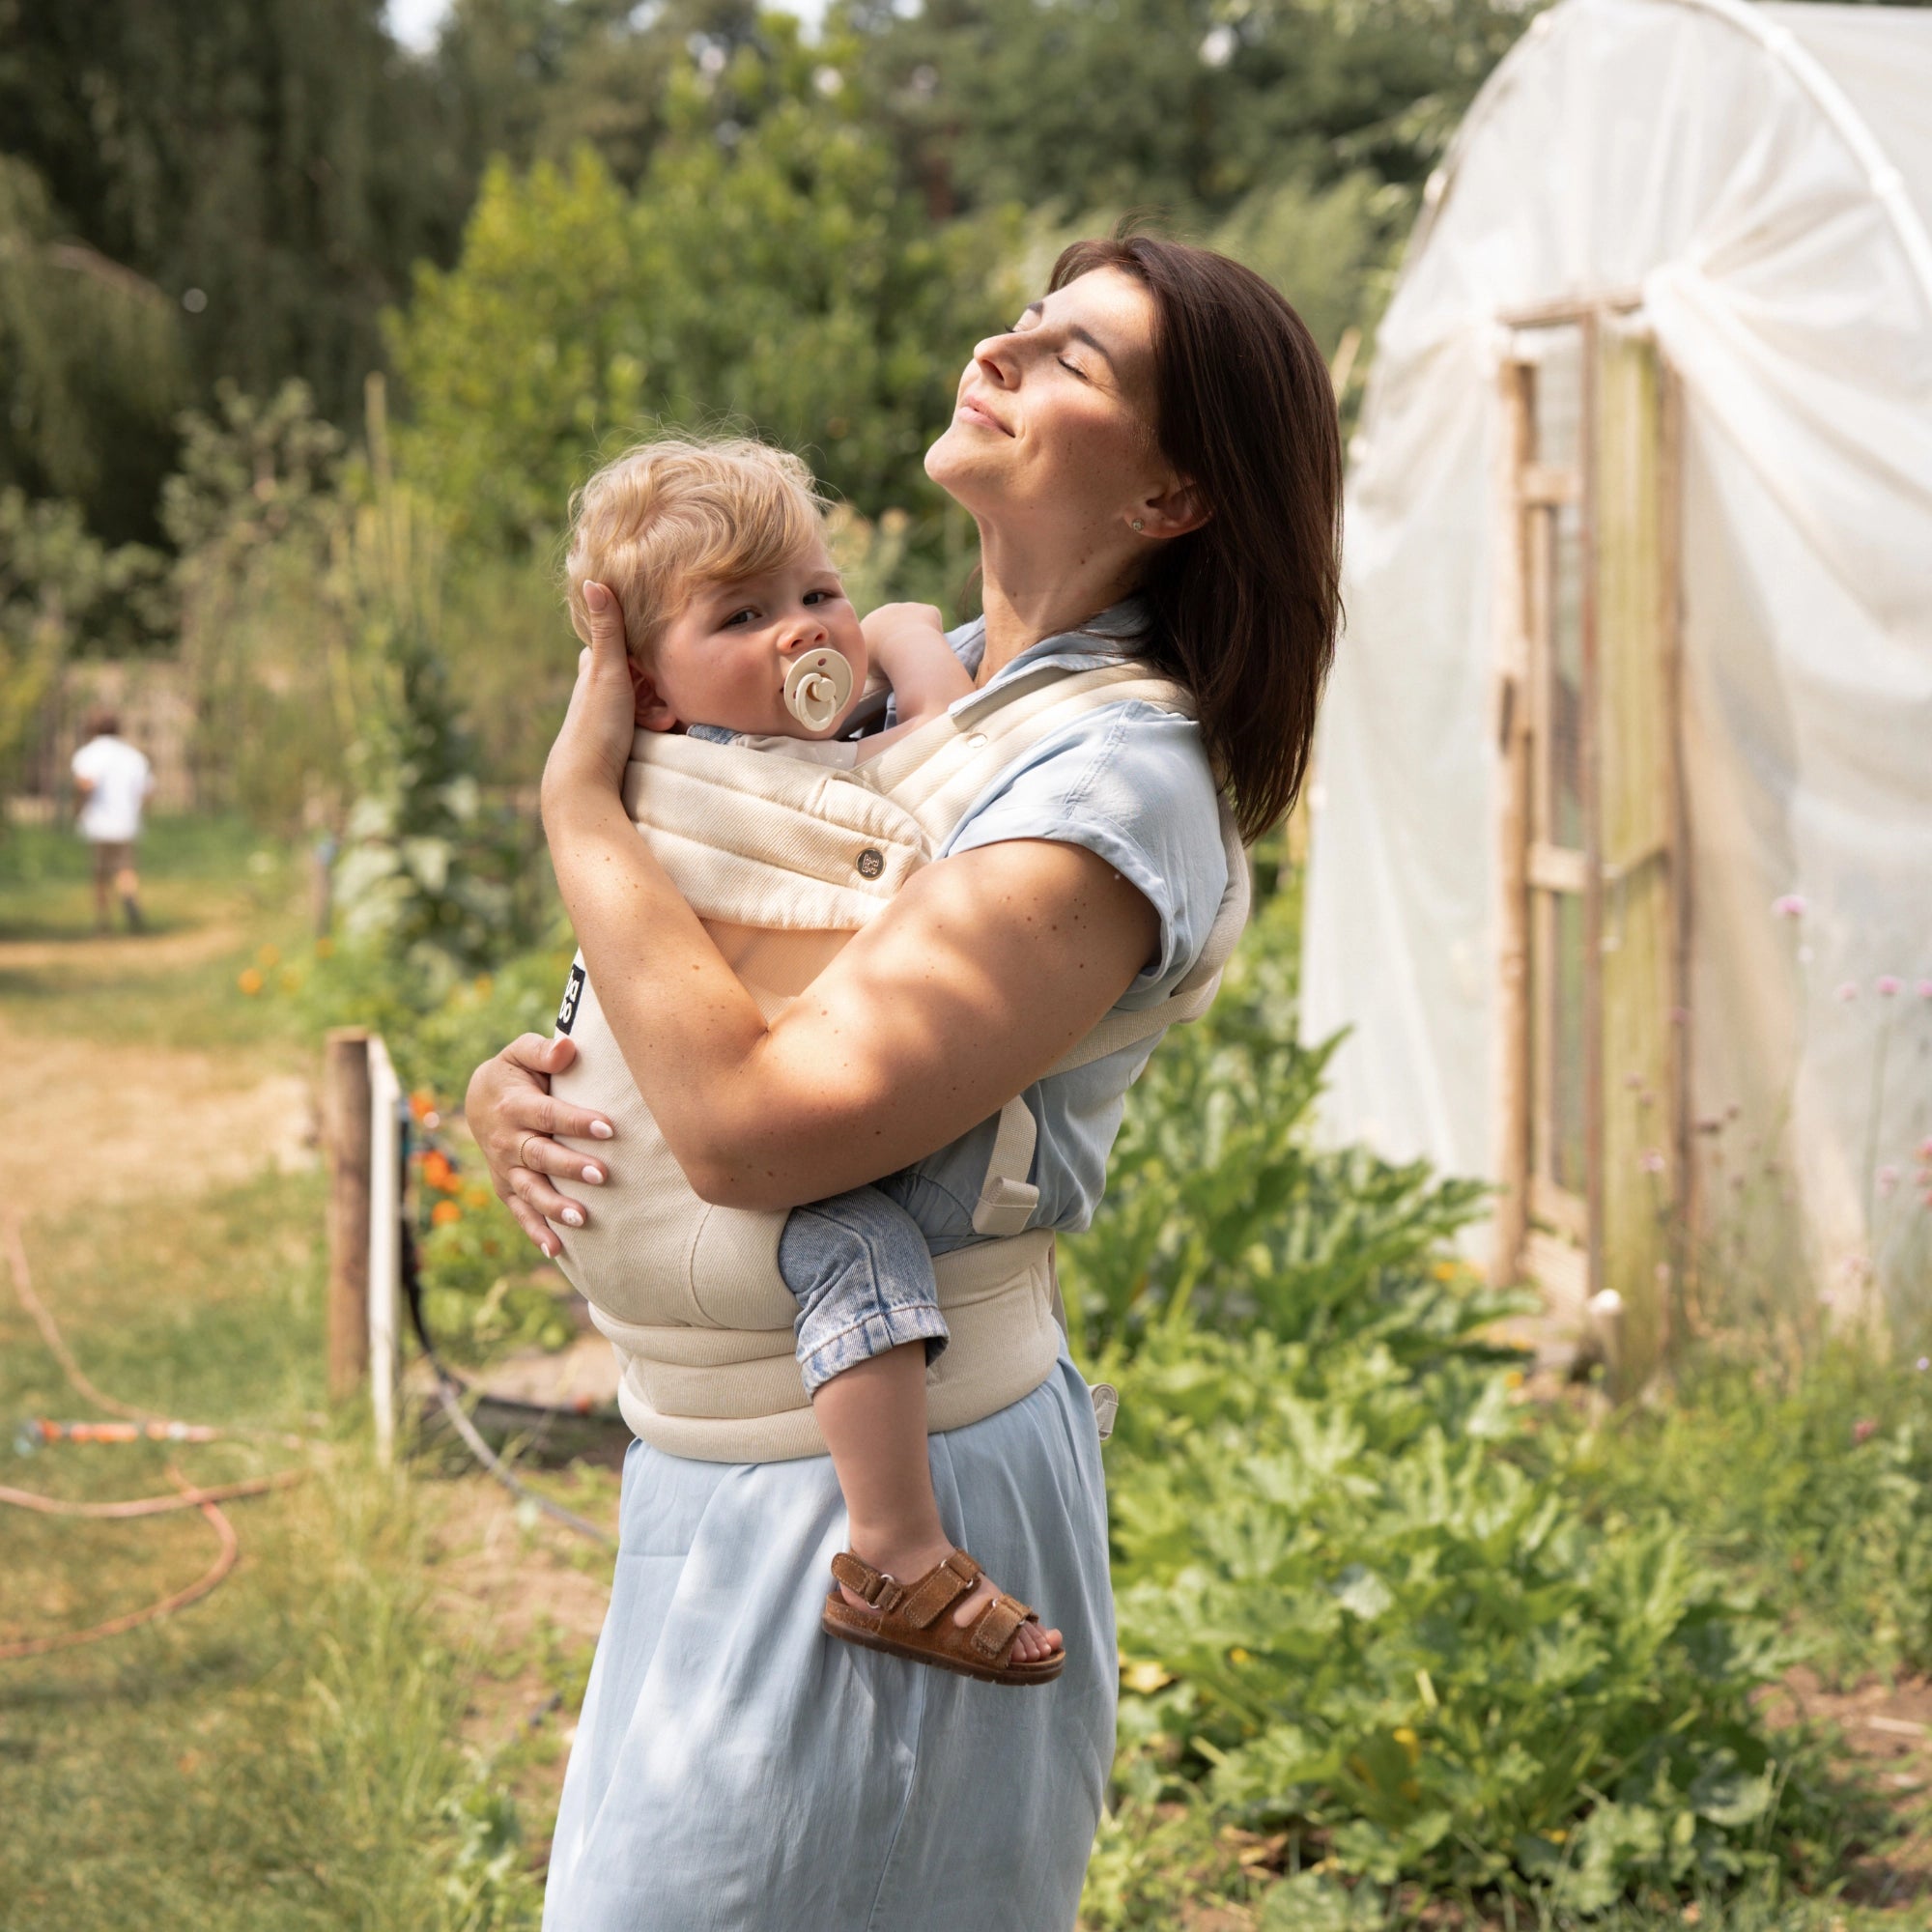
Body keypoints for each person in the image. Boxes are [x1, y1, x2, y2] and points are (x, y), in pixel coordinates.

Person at [466, 234, 1342, 1929]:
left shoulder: (1112, 776)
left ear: (1174, 494)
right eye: (1023, 318)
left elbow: (754, 1129)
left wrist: (578, 814)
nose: (1005, 349)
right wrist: (534, 1080)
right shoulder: (904, 690)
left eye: (1074, 357)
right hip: (708, 1470)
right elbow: (708, 977)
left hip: (882, 1506)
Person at [557, 434, 1067, 1679]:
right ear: (652, 694)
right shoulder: (700, 788)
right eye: (741, 613)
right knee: (857, 1241)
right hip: (643, 1172)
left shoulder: (779, 756)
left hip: (656, 1146)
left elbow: (917, 750)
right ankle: (892, 1550)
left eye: (815, 594)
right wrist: (899, 634)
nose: (800, 633)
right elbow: (936, 785)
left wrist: (881, 628)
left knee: (849, 1232)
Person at [70, 709, 155, 933]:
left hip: (98, 822)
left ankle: (103, 922)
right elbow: (145, 791)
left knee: (99, 873)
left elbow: (85, 785)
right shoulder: (133, 756)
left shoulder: (87, 754)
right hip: (126, 822)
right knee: (125, 867)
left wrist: (78, 809)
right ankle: (128, 897)